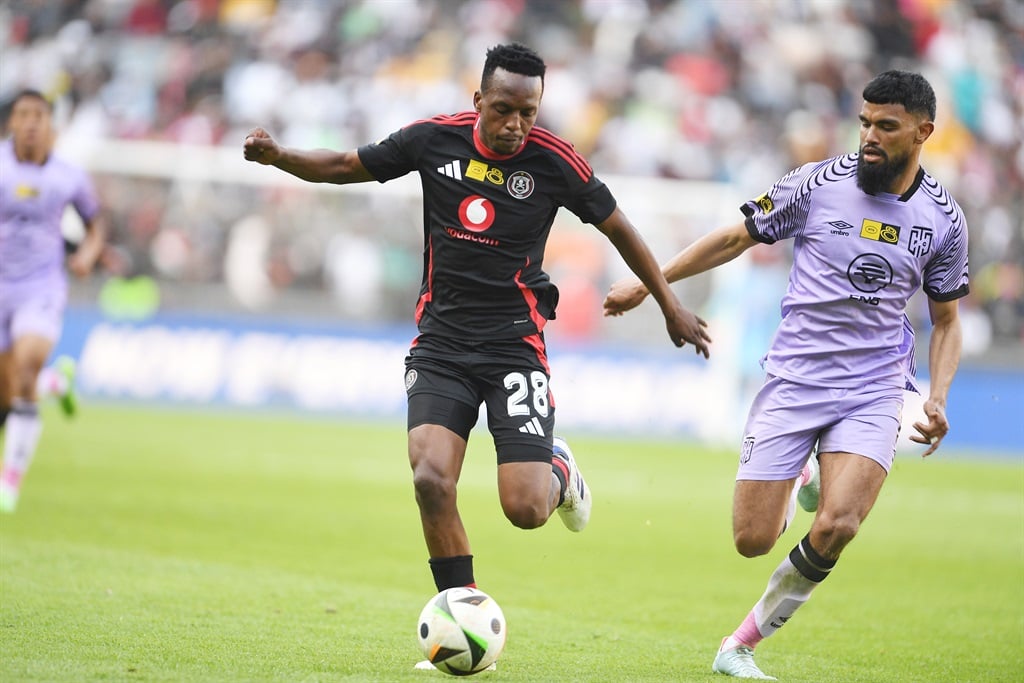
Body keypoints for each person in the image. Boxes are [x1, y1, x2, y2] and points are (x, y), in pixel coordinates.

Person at [244, 41, 711, 665]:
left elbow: (618, 226)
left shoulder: (555, 162)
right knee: (431, 479)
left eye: (528, 111)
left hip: (514, 347)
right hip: (440, 344)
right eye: (503, 109)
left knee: (524, 510)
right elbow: (343, 165)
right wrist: (280, 158)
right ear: (478, 101)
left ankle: (559, 472)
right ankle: (459, 622)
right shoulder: (433, 141)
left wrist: (668, 304)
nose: (515, 123)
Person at [604, 70, 968, 679]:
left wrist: (938, 396)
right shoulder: (818, 183)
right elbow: (732, 238)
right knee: (752, 539)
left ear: (923, 132)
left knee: (840, 523)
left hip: (877, 387)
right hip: (796, 379)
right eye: (864, 122)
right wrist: (651, 285)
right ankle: (807, 470)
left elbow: (948, 319)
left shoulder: (944, 220)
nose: (869, 136)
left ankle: (739, 646)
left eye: (887, 126)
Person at [0, 89, 107, 513]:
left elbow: (95, 223)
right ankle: (55, 382)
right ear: (12, 123)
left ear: (51, 127)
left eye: (39, 116)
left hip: (41, 286)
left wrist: (88, 255)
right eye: (23, 115)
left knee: (25, 366)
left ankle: (10, 482)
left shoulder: (70, 176)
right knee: (10, 390)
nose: (30, 123)